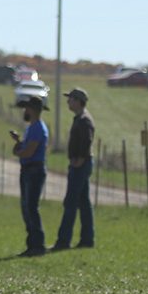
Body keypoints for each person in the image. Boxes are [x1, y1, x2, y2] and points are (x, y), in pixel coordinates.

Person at [51, 88, 95, 251]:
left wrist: (79, 160)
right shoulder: (80, 118)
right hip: (81, 163)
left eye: (70, 99)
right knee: (83, 202)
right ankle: (87, 239)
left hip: (80, 164)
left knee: (70, 202)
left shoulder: (84, 120)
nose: (68, 101)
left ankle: (63, 241)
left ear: (78, 101)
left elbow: (87, 141)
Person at [10, 96, 49, 257]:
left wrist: (19, 151)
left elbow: (29, 151)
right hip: (28, 170)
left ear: (32, 110)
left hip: (34, 170)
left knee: (31, 208)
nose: (25, 111)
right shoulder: (31, 128)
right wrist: (18, 142)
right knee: (26, 208)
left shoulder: (38, 128)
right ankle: (32, 244)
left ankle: (37, 244)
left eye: (26, 108)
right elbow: (24, 149)